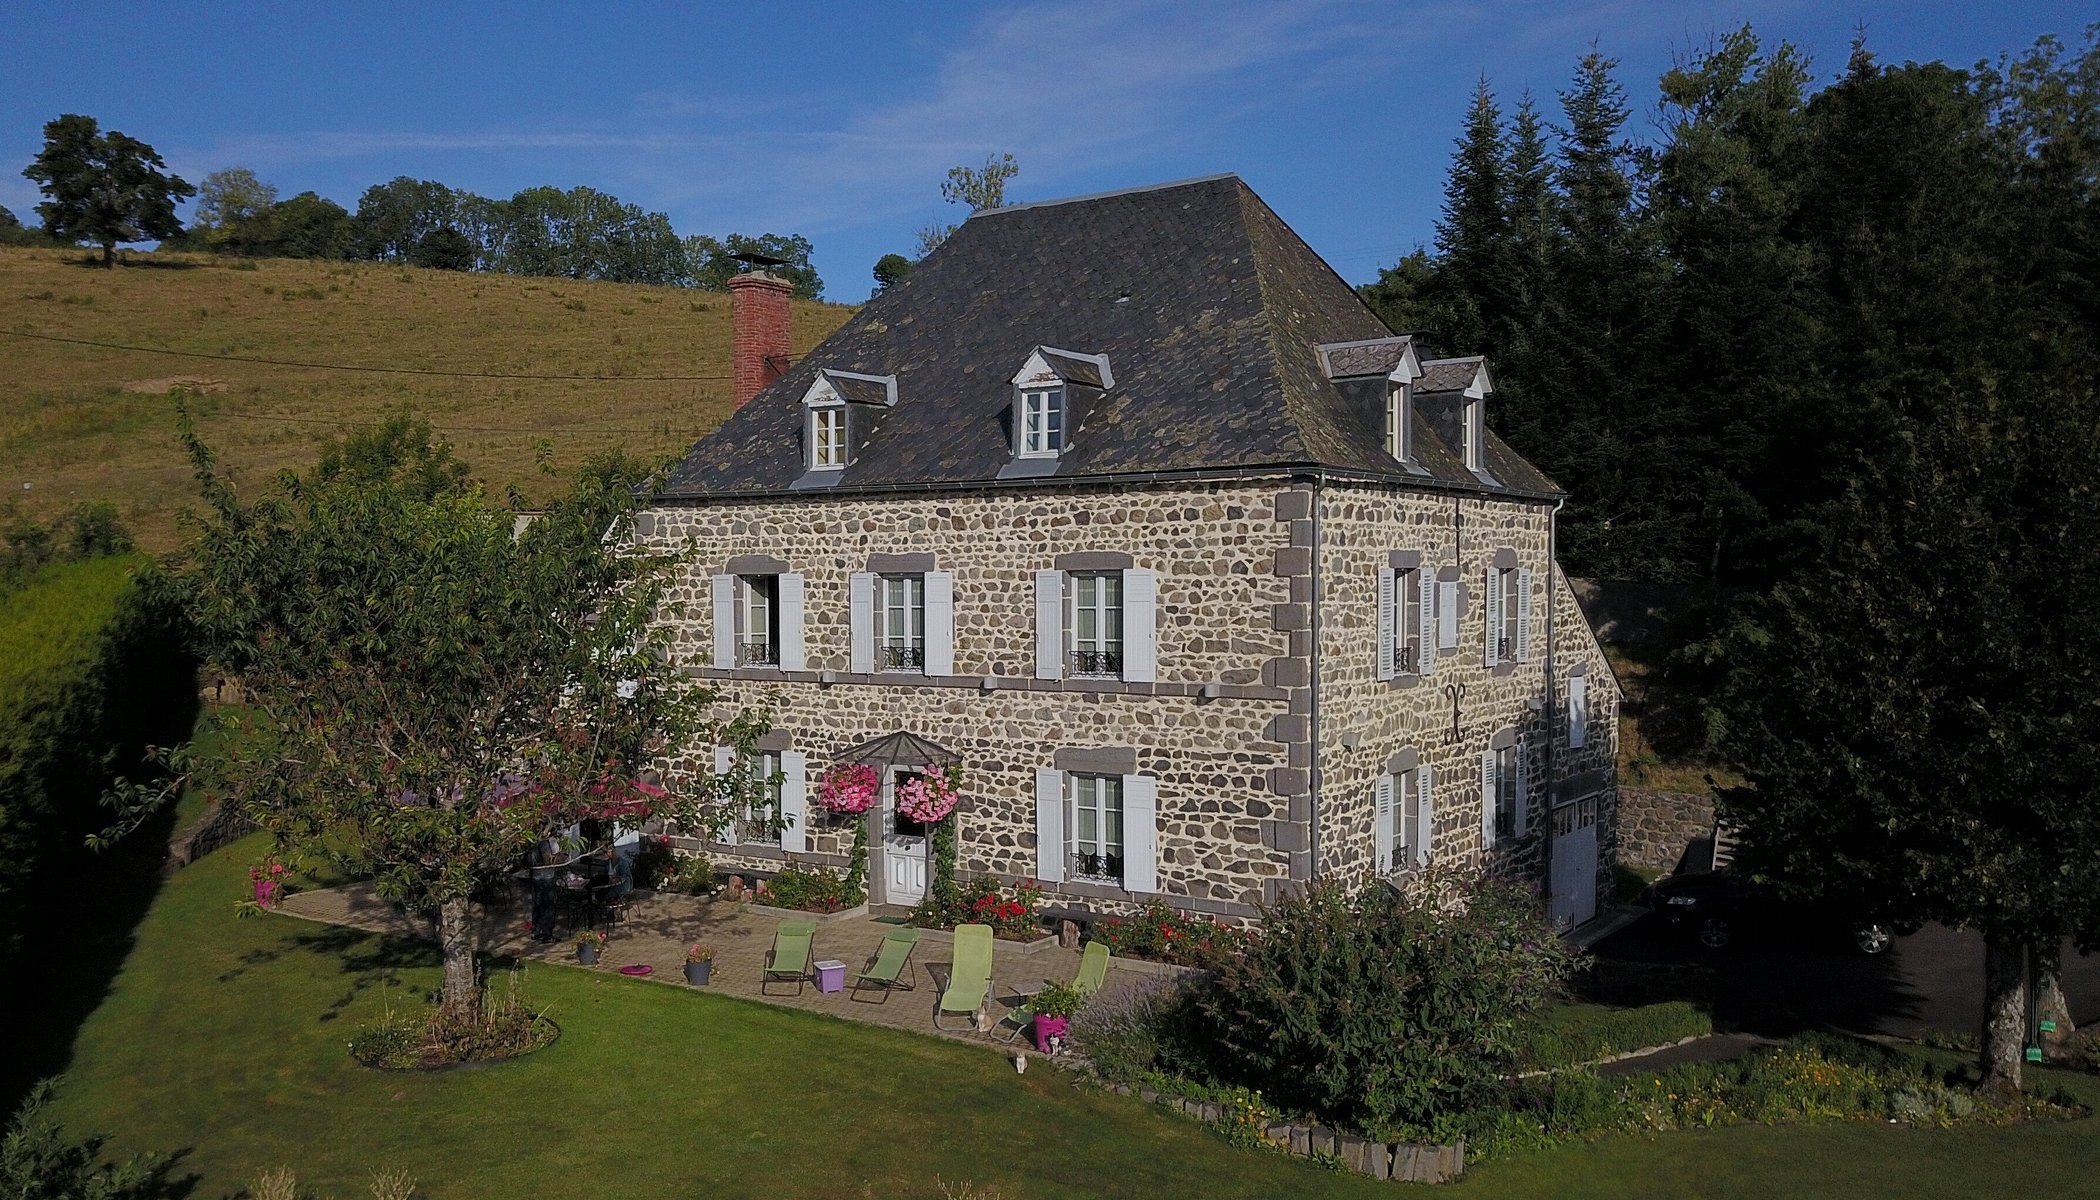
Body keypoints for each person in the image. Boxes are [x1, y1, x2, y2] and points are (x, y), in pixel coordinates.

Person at [529, 837, 561, 942]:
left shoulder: (533, 841)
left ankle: (536, 931)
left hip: (536, 877)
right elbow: (548, 861)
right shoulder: (544, 843)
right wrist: (558, 858)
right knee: (548, 907)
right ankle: (547, 934)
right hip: (546, 878)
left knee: (537, 905)